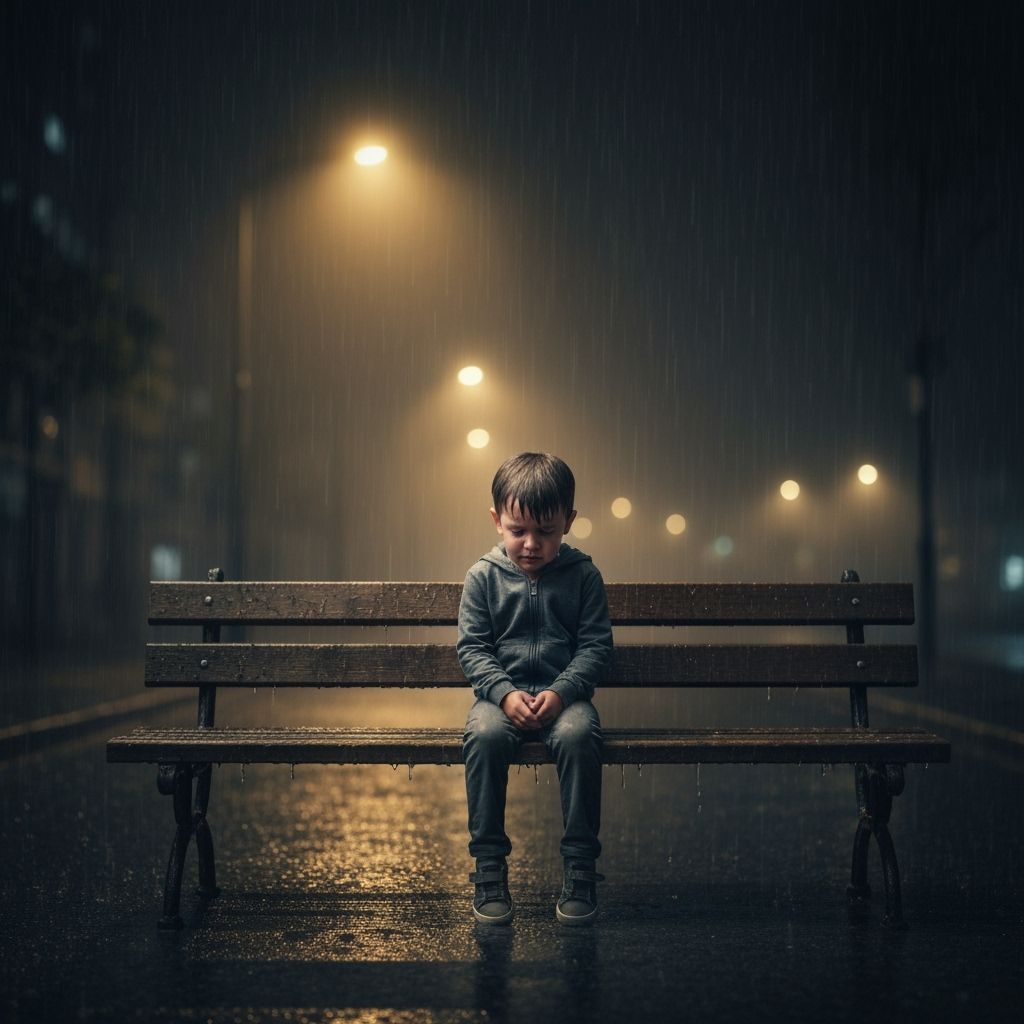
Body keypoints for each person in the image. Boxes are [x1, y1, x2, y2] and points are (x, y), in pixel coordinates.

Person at [458, 452, 613, 926]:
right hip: (498, 700)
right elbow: (473, 648)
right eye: (517, 530)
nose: (530, 544)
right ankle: (489, 867)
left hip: (565, 700)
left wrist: (562, 692)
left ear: (569, 522)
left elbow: (595, 647)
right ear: (496, 521)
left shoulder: (583, 576)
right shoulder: (483, 577)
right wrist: (504, 693)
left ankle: (580, 868)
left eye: (545, 531)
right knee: (484, 735)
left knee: (578, 735)